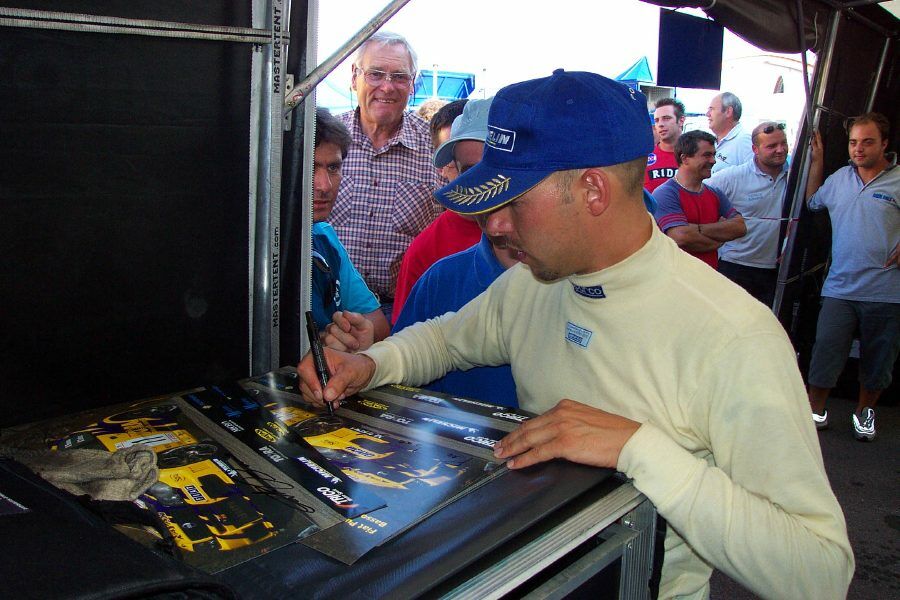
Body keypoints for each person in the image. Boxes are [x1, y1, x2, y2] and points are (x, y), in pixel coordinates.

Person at [298, 69, 853, 599]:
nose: (494, 224)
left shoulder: (735, 338)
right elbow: (445, 339)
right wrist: (370, 365)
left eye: (513, 200)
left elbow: (820, 572)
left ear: (592, 190)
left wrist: (639, 449)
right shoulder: (534, 283)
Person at [394, 98, 519, 407]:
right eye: (469, 171)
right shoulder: (437, 277)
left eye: (497, 167)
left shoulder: (576, 275)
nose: (482, 186)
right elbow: (400, 380)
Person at [329, 31, 441, 314]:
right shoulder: (322, 142)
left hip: (402, 312)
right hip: (326, 308)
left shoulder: (436, 151)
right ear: (355, 77)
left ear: (413, 84)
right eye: (376, 74)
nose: (387, 87)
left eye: (400, 77)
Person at [804, 112, 900, 441]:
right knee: (826, 351)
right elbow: (812, 203)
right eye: (853, 142)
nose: (858, 149)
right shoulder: (839, 179)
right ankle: (815, 411)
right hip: (840, 288)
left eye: (868, 142)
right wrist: (817, 162)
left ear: (885, 144)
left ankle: (865, 413)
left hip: (887, 291)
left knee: (878, 360)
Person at [391, 101, 481, 323]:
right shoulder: (425, 250)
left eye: (484, 158)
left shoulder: (533, 229)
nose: (475, 175)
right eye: (457, 162)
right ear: (441, 168)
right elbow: (405, 338)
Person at [309, 108, 390, 342]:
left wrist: (347, 337)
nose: (324, 185)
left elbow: (378, 325)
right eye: (311, 167)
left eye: (333, 168)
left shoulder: (325, 238)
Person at [706, 121, 790, 305]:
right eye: (772, 146)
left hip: (774, 270)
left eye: (783, 143)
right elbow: (698, 192)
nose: (780, 149)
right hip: (735, 265)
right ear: (755, 149)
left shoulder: (794, 177)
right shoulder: (732, 177)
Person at [653, 130, 746, 268]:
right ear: (685, 158)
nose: (713, 161)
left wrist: (697, 229)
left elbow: (740, 227)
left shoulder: (715, 193)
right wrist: (718, 239)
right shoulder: (665, 193)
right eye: (707, 155)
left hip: (709, 278)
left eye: (714, 155)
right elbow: (681, 236)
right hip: (677, 280)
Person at [644, 97, 685, 192]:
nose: (660, 124)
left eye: (666, 118)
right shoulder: (645, 157)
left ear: (681, 120)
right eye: (657, 120)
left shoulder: (695, 155)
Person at [707, 92, 753, 174]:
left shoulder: (745, 142)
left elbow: (754, 178)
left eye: (712, 109)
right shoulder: (711, 141)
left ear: (728, 112)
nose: (707, 114)